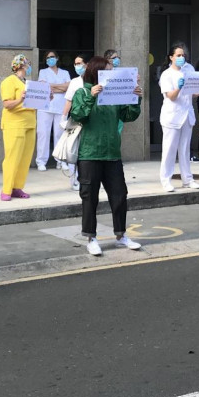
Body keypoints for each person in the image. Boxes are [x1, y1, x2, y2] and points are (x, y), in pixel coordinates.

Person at [69, 56, 143, 256]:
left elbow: (129, 116)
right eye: (107, 70)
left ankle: (121, 235)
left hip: (112, 153)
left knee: (119, 196)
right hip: (90, 153)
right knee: (89, 197)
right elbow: (77, 115)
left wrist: (135, 98)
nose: (111, 74)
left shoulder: (114, 95)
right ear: (97, 72)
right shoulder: (82, 92)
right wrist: (91, 96)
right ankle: (91, 238)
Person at [159, 43, 199, 192]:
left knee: (184, 149)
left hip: (186, 115)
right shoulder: (166, 75)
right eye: (178, 55)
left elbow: (193, 92)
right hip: (172, 115)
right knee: (169, 149)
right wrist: (179, 87)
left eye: (183, 55)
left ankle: (187, 179)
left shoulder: (188, 70)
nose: (182, 58)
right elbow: (171, 96)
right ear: (171, 57)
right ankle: (166, 180)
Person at [0, 54, 37, 201]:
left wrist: (47, 97)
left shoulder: (28, 82)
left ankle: (17, 187)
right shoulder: (9, 81)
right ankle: (6, 189)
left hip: (30, 123)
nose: (29, 67)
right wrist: (20, 99)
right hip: (15, 124)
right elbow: (7, 104)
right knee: (12, 157)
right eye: (27, 64)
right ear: (21, 65)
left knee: (25, 158)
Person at [35, 51, 71, 172]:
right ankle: (41, 161)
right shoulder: (43, 72)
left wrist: (53, 87)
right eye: (48, 57)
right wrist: (61, 87)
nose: (50, 59)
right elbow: (44, 87)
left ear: (57, 58)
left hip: (61, 107)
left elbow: (68, 87)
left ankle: (60, 161)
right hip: (45, 107)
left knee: (60, 134)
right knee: (43, 134)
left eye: (52, 57)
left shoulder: (65, 72)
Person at [61, 55, 88, 191]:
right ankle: (74, 180)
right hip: (76, 120)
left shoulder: (94, 80)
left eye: (80, 63)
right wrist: (63, 117)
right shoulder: (74, 81)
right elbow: (69, 100)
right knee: (73, 149)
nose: (77, 66)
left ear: (87, 64)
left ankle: (86, 178)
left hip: (90, 121)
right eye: (75, 63)